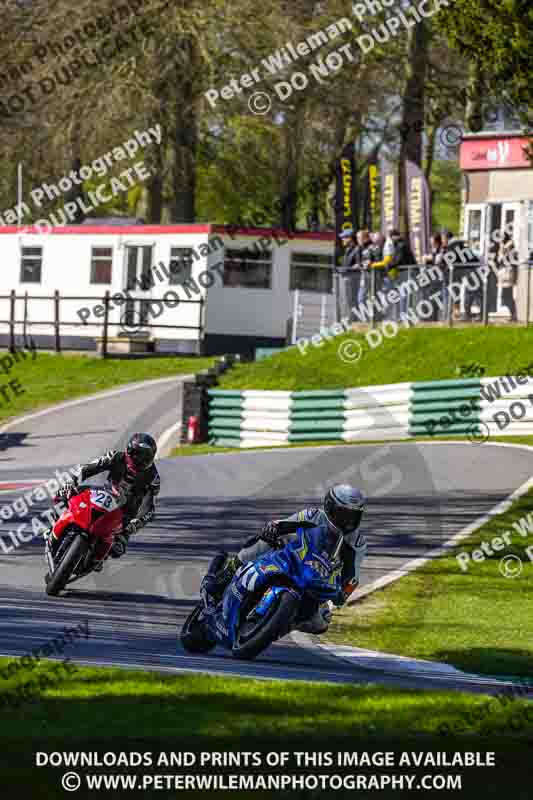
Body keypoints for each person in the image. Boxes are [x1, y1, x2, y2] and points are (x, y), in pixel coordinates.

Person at [201, 484, 367, 635]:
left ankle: (280, 623)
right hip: (290, 559)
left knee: (321, 624)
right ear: (329, 507)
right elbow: (282, 524)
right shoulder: (314, 515)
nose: (347, 521)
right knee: (263, 542)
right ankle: (223, 577)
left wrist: (343, 593)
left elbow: (352, 576)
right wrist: (272, 529)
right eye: (343, 514)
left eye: (353, 516)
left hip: (318, 581)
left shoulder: (357, 543)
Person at [47, 433, 160, 570]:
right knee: (62, 495)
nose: (141, 460)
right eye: (137, 455)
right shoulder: (115, 457)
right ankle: (53, 526)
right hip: (104, 495)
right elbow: (87, 468)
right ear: (129, 451)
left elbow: (149, 507)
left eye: (145, 457)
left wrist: (136, 523)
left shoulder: (153, 477)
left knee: (118, 549)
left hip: (125, 513)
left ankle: (96, 558)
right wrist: (72, 482)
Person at [498, 232, 518, 322]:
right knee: (506, 295)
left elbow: (505, 260)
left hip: (508, 273)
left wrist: (502, 252)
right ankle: (513, 314)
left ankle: (513, 315)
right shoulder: (505, 247)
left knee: (506, 295)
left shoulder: (509, 248)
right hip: (506, 273)